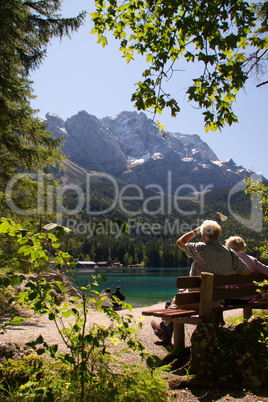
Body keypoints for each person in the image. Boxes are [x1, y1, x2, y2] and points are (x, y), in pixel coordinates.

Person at [151, 220, 250, 344]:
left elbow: (180, 242)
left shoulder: (201, 249)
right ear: (218, 236)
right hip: (215, 301)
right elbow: (246, 271)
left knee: (169, 303)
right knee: (175, 301)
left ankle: (164, 336)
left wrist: (196, 230)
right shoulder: (230, 253)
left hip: (196, 301)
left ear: (204, 236)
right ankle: (162, 330)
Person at [225, 236, 268, 302]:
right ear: (243, 246)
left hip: (229, 298)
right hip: (247, 299)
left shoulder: (225, 261)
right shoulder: (252, 260)